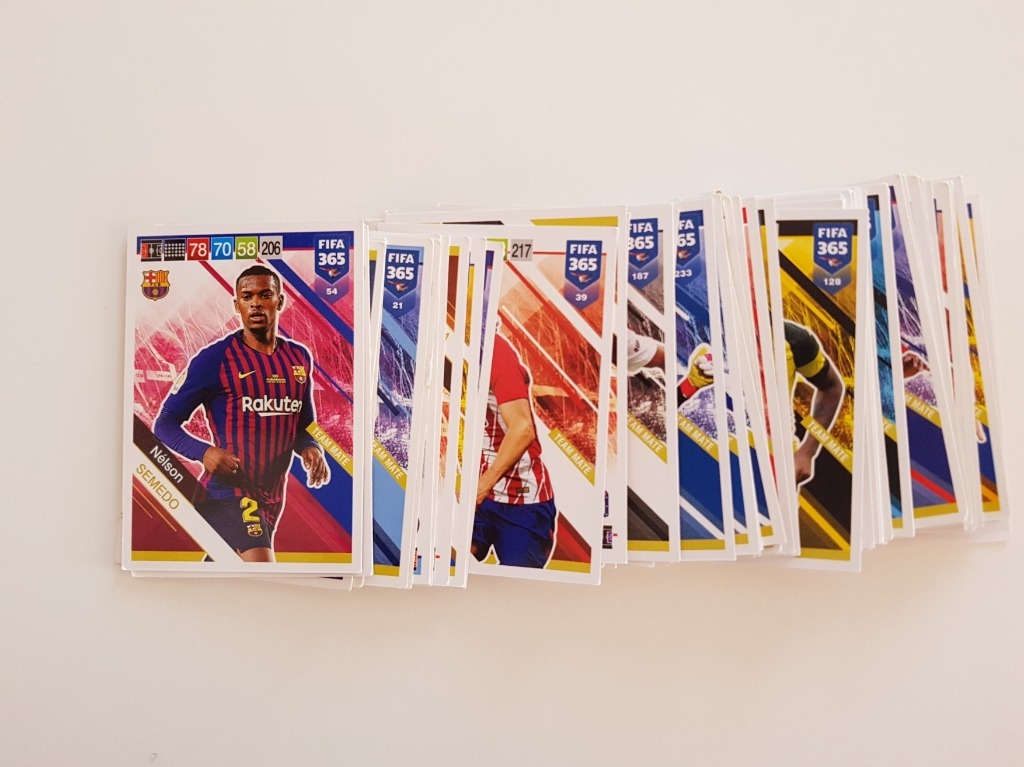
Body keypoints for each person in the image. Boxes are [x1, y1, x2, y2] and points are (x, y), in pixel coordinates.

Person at [154, 264, 329, 562]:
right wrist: (203, 452)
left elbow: (302, 425)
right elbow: (164, 423)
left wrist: (311, 448)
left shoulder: (298, 358)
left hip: (272, 499)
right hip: (229, 494)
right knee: (262, 571)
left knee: (224, 574)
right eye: (247, 297)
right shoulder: (215, 359)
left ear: (280, 301)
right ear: (237, 305)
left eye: (265, 295)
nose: (256, 303)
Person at [472, 333, 556, 568]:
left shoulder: (494, 351)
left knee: (518, 585)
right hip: (479, 495)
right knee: (442, 566)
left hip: (521, 500)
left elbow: (522, 429)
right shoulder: (448, 344)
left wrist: (481, 486)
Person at [784, 321, 845, 486]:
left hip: (771, 462)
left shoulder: (792, 338)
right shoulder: (717, 327)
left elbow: (832, 387)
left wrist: (807, 452)